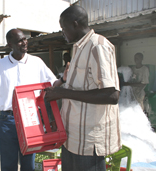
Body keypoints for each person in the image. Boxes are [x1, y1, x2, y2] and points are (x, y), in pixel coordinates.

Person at [0, 28, 67, 171]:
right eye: (19, 40)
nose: (24, 42)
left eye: (25, 39)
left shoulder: (36, 62)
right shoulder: (0, 66)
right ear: (10, 45)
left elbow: (52, 84)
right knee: (8, 164)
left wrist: (62, 79)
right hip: (8, 121)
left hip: (31, 118)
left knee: (29, 164)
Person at [44, 5, 121, 171]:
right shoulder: (78, 47)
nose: (62, 32)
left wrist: (63, 93)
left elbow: (111, 95)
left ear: (75, 24)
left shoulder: (97, 46)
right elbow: (79, 86)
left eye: (64, 28)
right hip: (72, 137)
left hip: (88, 141)